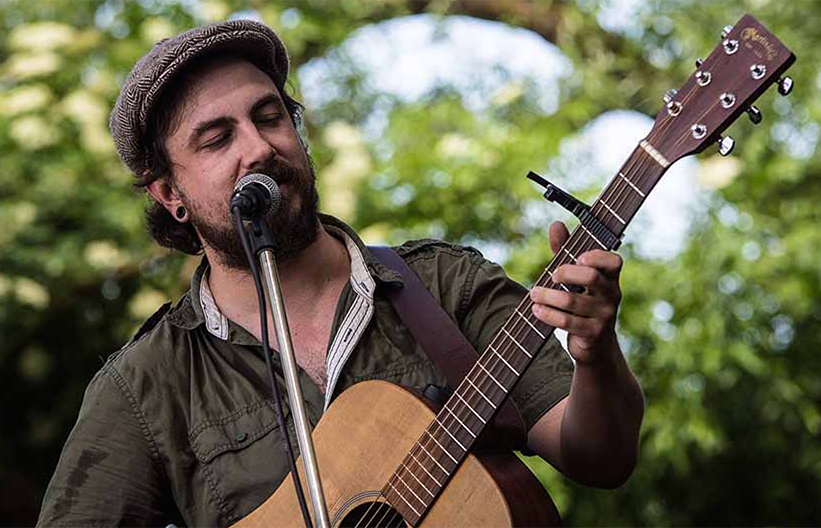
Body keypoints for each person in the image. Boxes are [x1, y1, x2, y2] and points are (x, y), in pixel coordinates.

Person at [36, 19, 644, 528]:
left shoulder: (443, 284)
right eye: (217, 139)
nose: (257, 148)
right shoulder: (149, 383)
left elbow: (600, 457)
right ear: (172, 194)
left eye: (269, 117)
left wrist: (596, 352)